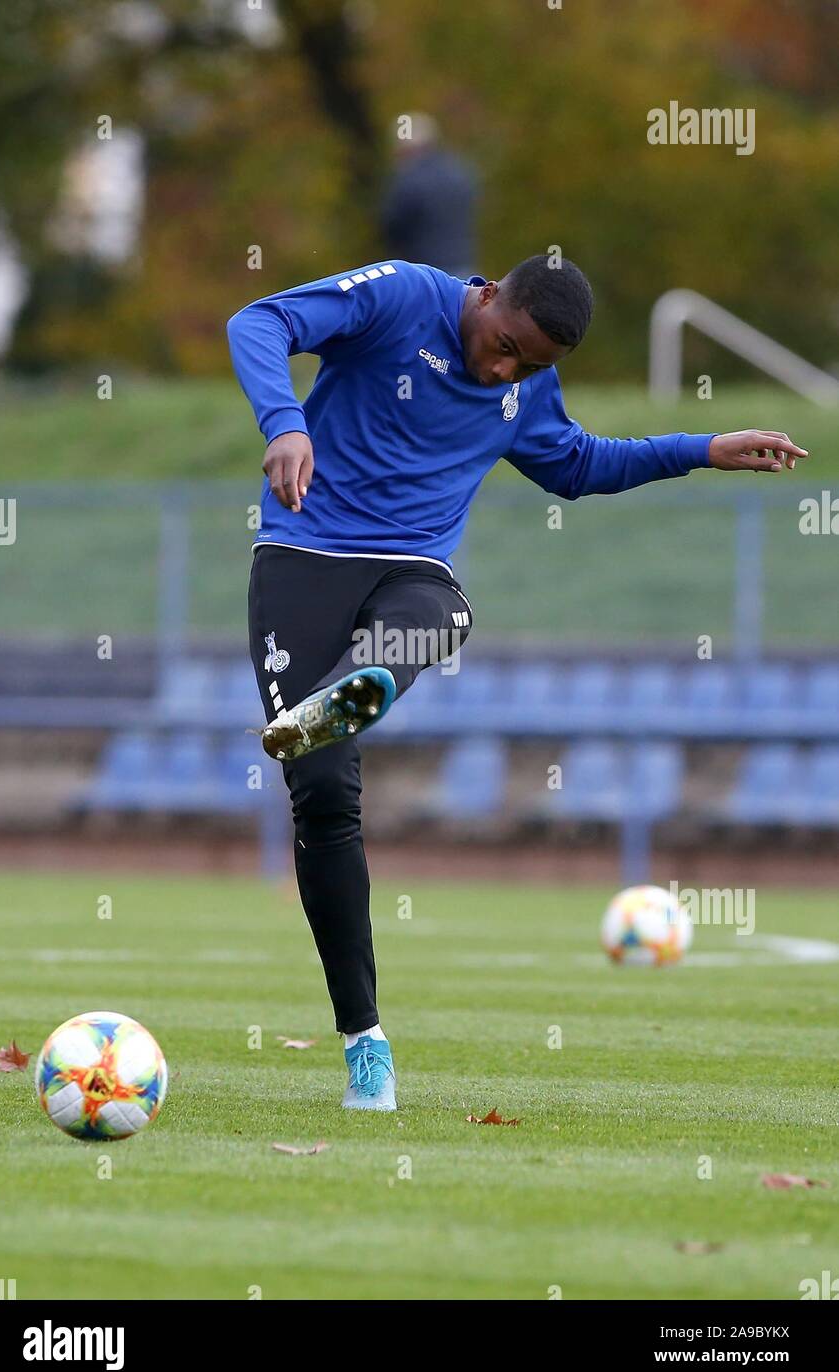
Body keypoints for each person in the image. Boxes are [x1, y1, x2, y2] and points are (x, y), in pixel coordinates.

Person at [227, 253, 806, 1112]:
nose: (506, 371)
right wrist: (285, 422)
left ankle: (355, 693)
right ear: (489, 294)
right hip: (302, 554)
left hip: (410, 565)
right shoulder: (400, 296)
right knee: (319, 792)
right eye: (504, 348)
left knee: (441, 615)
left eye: (529, 366)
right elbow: (258, 322)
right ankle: (363, 1031)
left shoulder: (525, 383)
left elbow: (573, 464)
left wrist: (701, 449)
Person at [380, 113, 478, 278]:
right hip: (463, 267)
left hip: (424, 274)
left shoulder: (410, 179)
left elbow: (392, 225)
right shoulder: (459, 172)